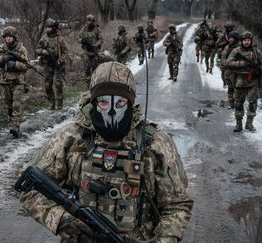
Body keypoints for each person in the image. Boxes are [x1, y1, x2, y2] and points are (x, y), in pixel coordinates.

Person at [19, 61, 193, 243]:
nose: (111, 111)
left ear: (130, 103)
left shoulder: (155, 143)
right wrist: (62, 220)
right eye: (103, 102)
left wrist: (164, 240)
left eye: (120, 102)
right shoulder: (71, 138)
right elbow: (29, 188)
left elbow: (178, 204)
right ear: (93, 102)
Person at [0, 25, 29, 138]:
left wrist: (15, 64)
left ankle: (16, 127)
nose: (8, 39)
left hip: (18, 82)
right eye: (6, 37)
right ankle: (12, 123)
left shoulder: (21, 49)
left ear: (14, 37)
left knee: (16, 105)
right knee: (9, 105)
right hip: (6, 81)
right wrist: (4, 59)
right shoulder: (1, 48)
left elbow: (26, 65)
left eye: (10, 37)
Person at [227, 31, 262, 132]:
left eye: (248, 40)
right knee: (238, 103)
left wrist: (257, 70)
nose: (247, 42)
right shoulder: (236, 51)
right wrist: (242, 63)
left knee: (253, 103)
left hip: (253, 82)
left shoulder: (256, 51)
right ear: (242, 41)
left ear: (251, 41)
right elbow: (228, 63)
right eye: (245, 40)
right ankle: (238, 125)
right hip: (240, 80)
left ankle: (249, 124)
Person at [36, 18, 69, 110]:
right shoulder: (43, 38)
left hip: (58, 64)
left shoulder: (60, 39)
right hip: (47, 64)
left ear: (53, 28)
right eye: (46, 27)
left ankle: (59, 104)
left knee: (58, 84)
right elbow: (37, 49)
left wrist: (60, 60)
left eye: (49, 27)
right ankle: (51, 103)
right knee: (47, 85)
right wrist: (43, 51)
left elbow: (66, 51)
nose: (47, 29)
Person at [78, 14, 103, 85]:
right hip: (86, 52)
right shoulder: (84, 29)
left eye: (91, 21)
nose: (89, 23)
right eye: (88, 21)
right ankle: (88, 84)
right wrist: (82, 41)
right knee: (87, 69)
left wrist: (95, 45)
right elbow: (78, 37)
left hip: (94, 52)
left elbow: (101, 40)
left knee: (95, 68)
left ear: (93, 21)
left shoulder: (97, 29)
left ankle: (96, 83)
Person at [221, 31, 240, 109]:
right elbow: (223, 58)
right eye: (229, 38)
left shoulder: (240, 47)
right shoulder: (227, 47)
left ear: (235, 39)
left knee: (237, 88)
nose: (229, 40)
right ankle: (231, 104)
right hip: (229, 71)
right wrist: (225, 64)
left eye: (231, 38)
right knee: (230, 88)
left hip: (238, 71)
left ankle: (237, 102)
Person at [216, 21, 236, 87]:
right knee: (223, 70)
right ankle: (225, 82)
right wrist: (225, 42)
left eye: (231, 28)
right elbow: (217, 44)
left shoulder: (235, 35)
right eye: (228, 28)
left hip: (233, 54)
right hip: (224, 54)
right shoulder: (223, 35)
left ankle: (231, 84)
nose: (230, 29)